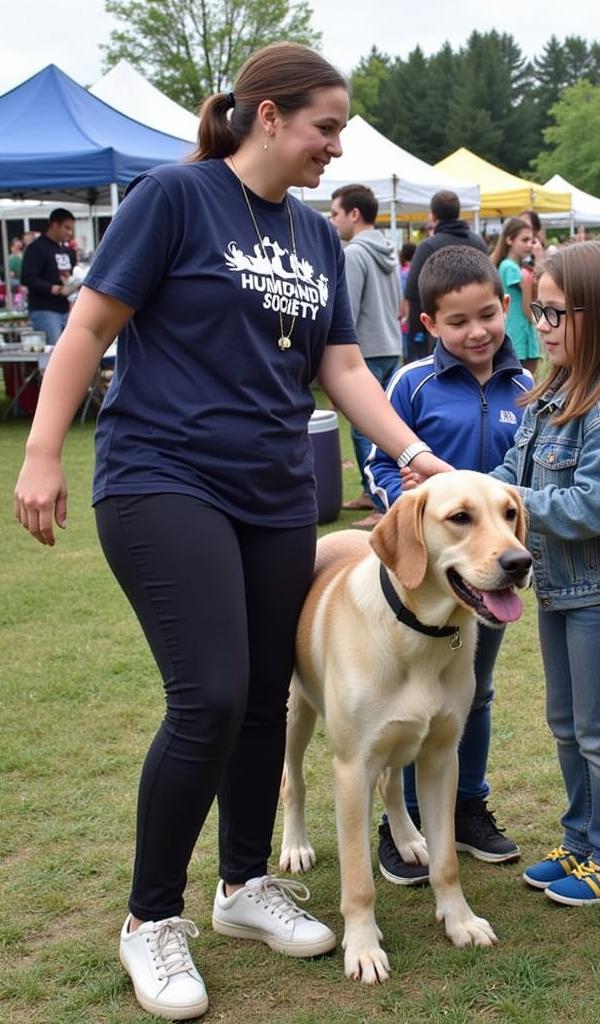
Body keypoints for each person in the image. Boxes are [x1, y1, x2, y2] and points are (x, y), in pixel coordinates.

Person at [12, 42, 449, 1022]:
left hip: (277, 485)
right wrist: (42, 452)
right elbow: (88, 326)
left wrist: (413, 455)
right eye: (324, 128)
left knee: (262, 695)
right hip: (163, 475)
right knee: (207, 693)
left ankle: (245, 884)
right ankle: (149, 920)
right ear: (266, 117)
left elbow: (340, 368)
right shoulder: (174, 197)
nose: (337, 147)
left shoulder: (315, 237)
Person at [491, 241, 600, 907]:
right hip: (557, 591)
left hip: (599, 597)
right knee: (566, 724)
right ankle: (584, 837)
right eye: (539, 309)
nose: (542, 323)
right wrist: (476, 491)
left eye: (559, 312)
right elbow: (513, 469)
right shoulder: (549, 394)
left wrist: (509, 506)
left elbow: (593, 507)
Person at [364, 245, 533, 883]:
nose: (477, 331)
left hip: (486, 582)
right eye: (457, 322)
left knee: (472, 694)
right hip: (420, 580)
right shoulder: (411, 384)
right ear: (429, 325)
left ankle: (467, 807)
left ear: (506, 307)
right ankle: (398, 819)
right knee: (396, 698)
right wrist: (406, 507)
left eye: (487, 315)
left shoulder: (529, 387)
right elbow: (379, 462)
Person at [329, 183, 403, 529]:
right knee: (388, 425)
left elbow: (347, 311)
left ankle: (379, 501)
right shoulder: (389, 250)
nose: (333, 221)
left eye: (335, 214)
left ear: (354, 214)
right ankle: (373, 494)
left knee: (365, 429)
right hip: (391, 346)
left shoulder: (355, 253)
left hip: (366, 352)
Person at [403, 190, 488, 361]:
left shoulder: (428, 247)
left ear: (433, 216)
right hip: (479, 326)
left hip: (442, 329)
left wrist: (416, 338)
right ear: (458, 213)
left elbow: (413, 294)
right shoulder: (478, 242)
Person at [20, 208, 81, 345]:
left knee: (68, 349)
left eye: (71, 229)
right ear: (55, 225)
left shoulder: (66, 251)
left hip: (64, 308)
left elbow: (69, 276)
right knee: (53, 353)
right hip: (44, 310)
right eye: (66, 228)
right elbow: (27, 277)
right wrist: (55, 289)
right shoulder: (37, 248)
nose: (70, 233)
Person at [491, 217, 541, 375]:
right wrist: (539, 261)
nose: (529, 245)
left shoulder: (514, 267)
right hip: (518, 330)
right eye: (524, 240)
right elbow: (529, 308)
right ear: (509, 240)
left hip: (518, 330)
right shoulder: (510, 268)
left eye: (531, 241)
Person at [398, 241, 417, 360]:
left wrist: (403, 316)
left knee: (407, 356)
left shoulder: (402, 272)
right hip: (417, 318)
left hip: (405, 320)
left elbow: (403, 296)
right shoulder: (418, 270)